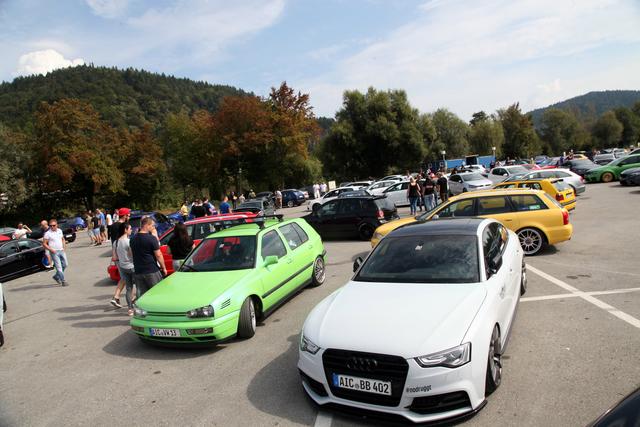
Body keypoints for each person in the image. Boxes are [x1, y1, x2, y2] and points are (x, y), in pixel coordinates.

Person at [130, 217, 167, 297]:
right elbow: (158, 255)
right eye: (153, 225)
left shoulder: (132, 239)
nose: (154, 227)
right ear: (147, 225)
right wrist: (164, 268)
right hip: (151, 270)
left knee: (143, 296)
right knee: (157, 293)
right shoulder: (151, 239)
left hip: (138, 271)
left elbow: (131, 254)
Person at [112, 223, 136, 315]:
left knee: (128, 288)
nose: (131, 230)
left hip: (123, 267)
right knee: (139, 287)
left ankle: (130, 309)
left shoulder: (116, 242)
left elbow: (115, 257)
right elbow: (132, 255)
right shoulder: (128, 241)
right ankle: (136, 304)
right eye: (130, 228)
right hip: (132, 266)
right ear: (125, 230)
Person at [43, 219, 68, 286]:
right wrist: (51, 250)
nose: (52, 227)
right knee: (59, 267)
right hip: (54, 252)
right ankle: (63, 281)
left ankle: (56, 276)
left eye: (54, 225)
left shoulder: (60, 231)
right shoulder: (47, 233)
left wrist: (64, 247)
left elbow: (63, 239)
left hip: (61, 250)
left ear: (57, 225)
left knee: (65, 265)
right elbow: (44, 244)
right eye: (50, 226)